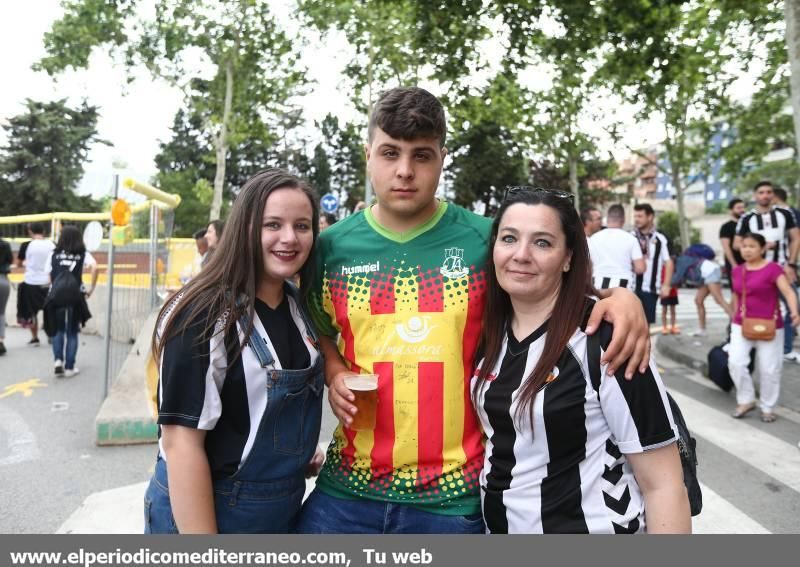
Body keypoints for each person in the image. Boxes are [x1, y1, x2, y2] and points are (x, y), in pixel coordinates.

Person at [296, 86, 652, 534]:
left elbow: (552, 293)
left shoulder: (487, 241)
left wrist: (621, 299)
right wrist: (333, 371)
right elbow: (319, 327)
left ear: (442, 158)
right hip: (346, 493)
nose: (404, 171)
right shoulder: (330, 249)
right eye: (390, 153)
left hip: (455, 500)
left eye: (421, 156)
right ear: (368, 155)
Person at [472, 187, 690, 534]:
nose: (521, 255)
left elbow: (664, 485)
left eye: (542, 242)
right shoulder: (486, 332)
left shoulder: (607, 338)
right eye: (509, 238)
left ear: (569, 257)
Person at [143, 168, 324, 534]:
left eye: (302, 226)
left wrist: (291, 457)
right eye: (272, 224)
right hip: (210, 508)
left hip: (279, 508)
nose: (289, 238)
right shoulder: (201, 314)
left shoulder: (299, 306)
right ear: (245, 227)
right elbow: (180, 444)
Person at [729, 232, 799, 423]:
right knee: (735, 362)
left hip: (771, 324)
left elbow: (788, 292)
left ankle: (767, 406)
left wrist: (794, 312)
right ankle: (746, 399)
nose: (747, 250)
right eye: (744, 246)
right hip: (741, 323)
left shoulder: (773, 269)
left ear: (762, 248)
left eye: (752, 246)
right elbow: (736, 296)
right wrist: (732, 316)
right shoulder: (737, 271)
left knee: (770, 369)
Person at [735, 181, 800, 362]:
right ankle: (746, 343)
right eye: (761, 192)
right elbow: (736, 243)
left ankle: (786, 349)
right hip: (756, 272)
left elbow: (796, 238)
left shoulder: (785, 214)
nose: (765, 195)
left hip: (782, 268)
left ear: (773, 195)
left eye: (769, 192)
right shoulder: (747, 218)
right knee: (747, 307)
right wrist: (758, 246)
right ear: (755, 196)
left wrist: (792, 263)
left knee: (790, 306)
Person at [46, 225, 97, 377]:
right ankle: (69, 367)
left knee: (58, 330)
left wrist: (55, 288)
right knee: (72, 332)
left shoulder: (53, 254)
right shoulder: (83, 254)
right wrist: (91, 289)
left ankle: (58, 361)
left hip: (56, 297)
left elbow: (49, 276)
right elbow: (95, 268)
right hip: (75, 296)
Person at [632, 203, 673, 325]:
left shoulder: (660, 239)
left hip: (651, 289)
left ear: (650, 217)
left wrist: (666, 285)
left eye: (640, 216)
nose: (636, 219)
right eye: (635, 216)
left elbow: (669, 262)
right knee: (630, 324)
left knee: (645, 326)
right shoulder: (630, 237)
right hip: (631, 288)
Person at [589, 203, 645, 291]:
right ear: (623, 220)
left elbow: (588, 264)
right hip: (623, 287)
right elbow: (640, 268)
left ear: (607, 219)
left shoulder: (593, 238)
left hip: (598, 285)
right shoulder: (631, 239)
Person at [16, 223, 55, 345]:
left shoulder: (26, 245)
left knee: (31, 312)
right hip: (48, 283)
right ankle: (51, 336)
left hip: (31, 282)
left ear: (30, 231)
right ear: (43, 231)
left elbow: (18, 263)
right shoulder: (52, 244)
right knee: (50, 310)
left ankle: (35, 338)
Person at [719, 198, 745, 284]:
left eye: (743, 207)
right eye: (738, 208)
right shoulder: (726, 227)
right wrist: (734, 264)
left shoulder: (748, 224)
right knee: (736, 290)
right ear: (731, 210)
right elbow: (726, 248)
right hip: (734, 262)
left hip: (748, 262)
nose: (742, 210)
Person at [660, 259, 680, 335]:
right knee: (664, 310)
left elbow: (677, 278)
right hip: (664, 291)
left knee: (673, 311)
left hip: (673, 292)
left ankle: (673, 327)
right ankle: (664, 327)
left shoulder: (674, 268)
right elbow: (660, 279)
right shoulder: (661, 268)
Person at [0, 236, 12, 356]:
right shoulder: (5, 245)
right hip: (3, 279)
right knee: (1, 312)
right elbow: (10, 260)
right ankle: (1, 340)